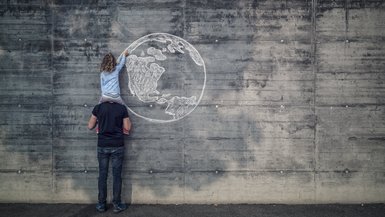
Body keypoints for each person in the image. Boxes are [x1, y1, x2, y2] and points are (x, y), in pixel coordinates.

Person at [88, 101, 132, 213]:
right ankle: (117, 204)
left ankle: (101, 205)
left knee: (102, 175)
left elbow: (90, 126)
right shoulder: (121, 108)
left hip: (102, 145)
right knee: (117, 176)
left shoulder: (98, 108)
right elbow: (127, 127)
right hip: (117, 145)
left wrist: (101, 121)